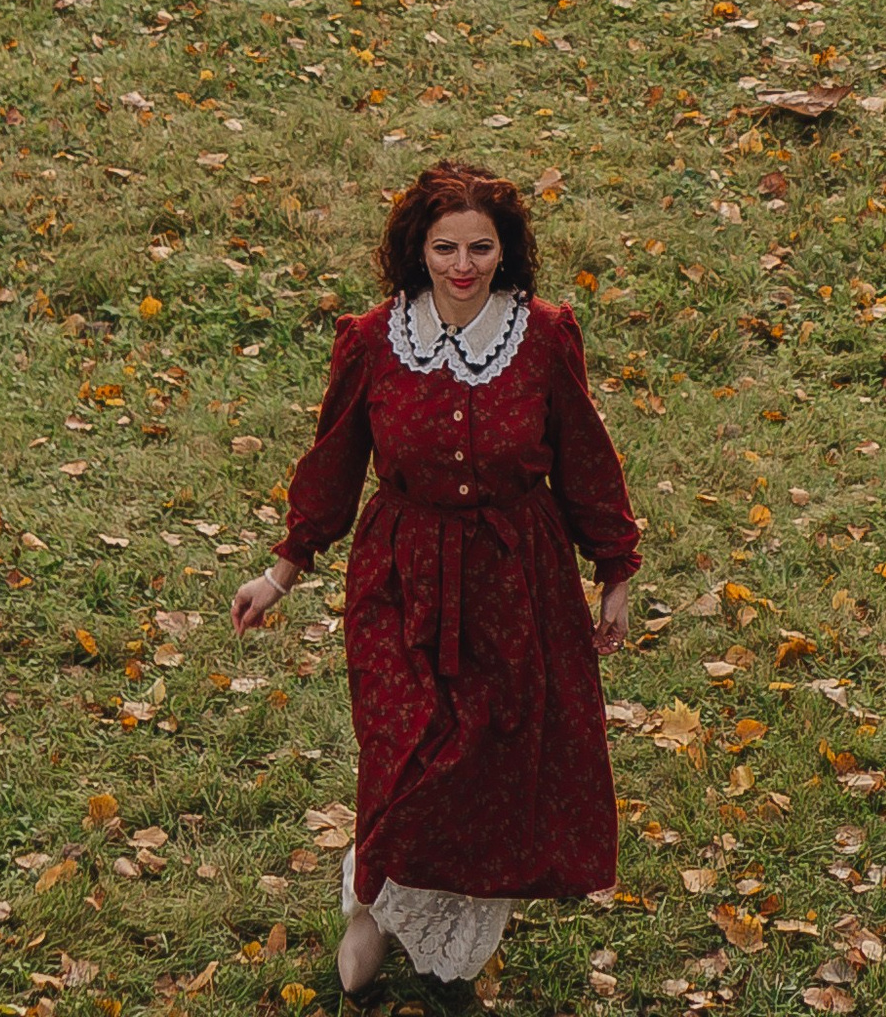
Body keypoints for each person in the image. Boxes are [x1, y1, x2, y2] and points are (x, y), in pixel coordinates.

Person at [233, 160, 640, 999]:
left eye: (479, 248)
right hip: (400, 577)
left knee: (488, 762)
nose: (462, 266)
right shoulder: (373, 340)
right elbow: (334, 463)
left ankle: (440, 936)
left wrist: (614, 574)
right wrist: (281, 572)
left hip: (516, 581)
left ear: (505, 250)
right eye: (445, 247)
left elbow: (586, 460)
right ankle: (373, 902)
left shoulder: (545, 336)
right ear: (417, 249)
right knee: (406, 754)